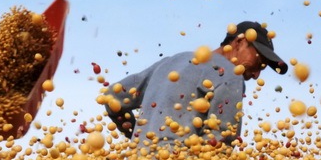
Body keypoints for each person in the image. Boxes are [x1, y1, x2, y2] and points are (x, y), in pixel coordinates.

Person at [103, 20, 287, 145]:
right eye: (259, 62)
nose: (256, 74)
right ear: (240, 42)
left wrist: (136, 136)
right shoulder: (231, 74)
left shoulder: (171, 62)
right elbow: (221, 141)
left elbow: (112, 98)